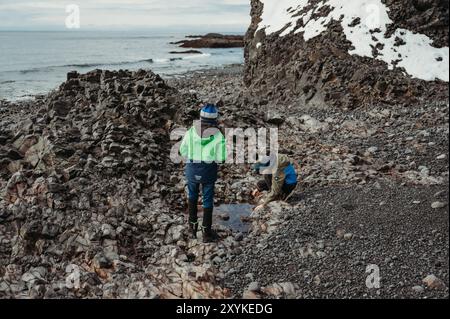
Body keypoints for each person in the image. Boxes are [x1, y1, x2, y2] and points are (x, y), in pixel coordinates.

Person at [179, 104, 226, 242]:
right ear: (215, 119)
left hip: (192, 169)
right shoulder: (218, 135)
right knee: (207, 200)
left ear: (200, 117)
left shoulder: (190, 132)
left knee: (192, 197)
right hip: (208, 171)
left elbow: (183, 151)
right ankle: (206, 233)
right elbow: (221, 158)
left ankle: (192, 228)